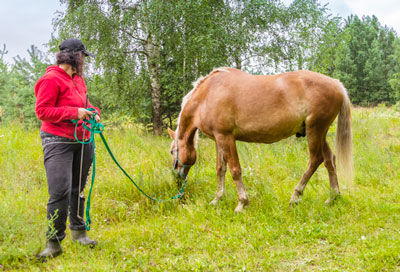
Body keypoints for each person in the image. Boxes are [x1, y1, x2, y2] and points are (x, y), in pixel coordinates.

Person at [34, 38, 100, 260]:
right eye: (83, 57)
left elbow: (86, 103)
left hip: (82, 140)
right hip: (57, 141)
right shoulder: (50, 80)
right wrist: (74, 113)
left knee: (78, 188)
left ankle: (79, 232)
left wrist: (93, 111)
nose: (84, 62)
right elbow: (42, 111)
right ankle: (53, 243)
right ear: (75, 57)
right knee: (60, 191)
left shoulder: (79, 80)